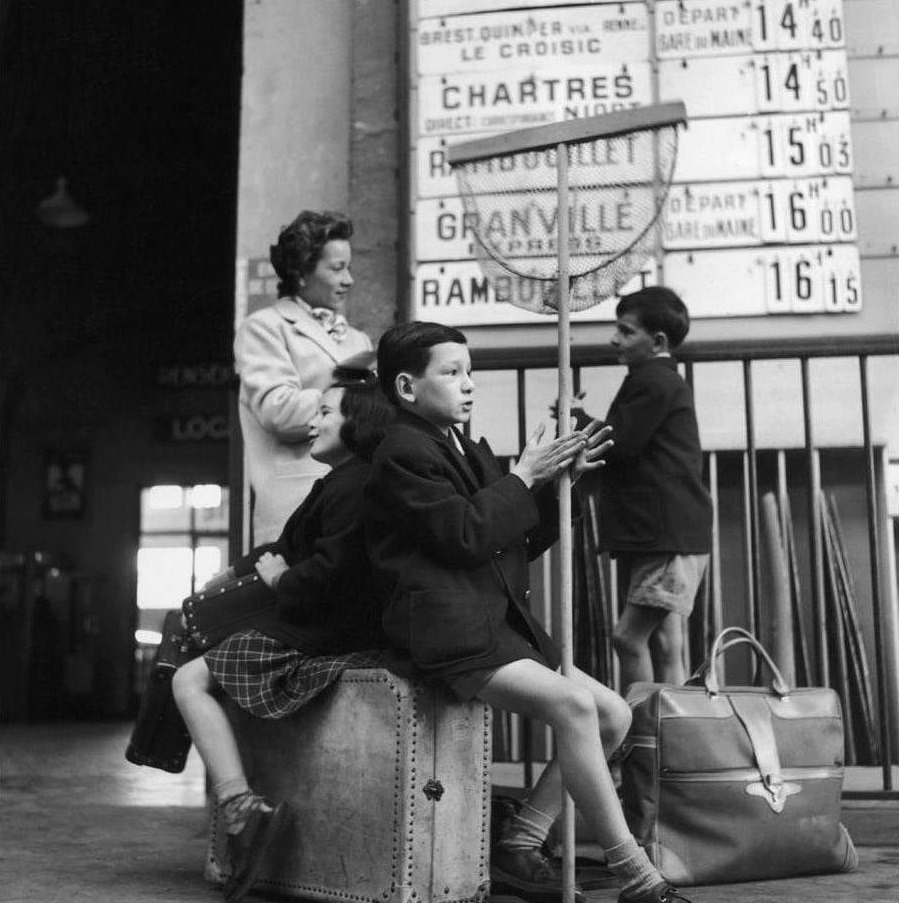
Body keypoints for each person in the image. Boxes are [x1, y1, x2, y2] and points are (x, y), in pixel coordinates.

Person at [364, 322, 692, 903]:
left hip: (494, 625)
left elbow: (515, 539)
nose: (469, 385)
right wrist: (522, 476)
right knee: (573, 705)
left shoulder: (463, 446)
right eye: (452, 372)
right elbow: (464, 537)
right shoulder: (401, 453)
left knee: (614, 714)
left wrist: (565, 485)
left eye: (470, 372)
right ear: (407, 389)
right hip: (446, 632)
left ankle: (522, 840)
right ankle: (637, 875)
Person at [172, 379, 394, 903]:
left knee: (187, 680)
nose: (312, 421)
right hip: (310, 621)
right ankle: (239, 807)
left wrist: (276, 581)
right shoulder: (339, 481)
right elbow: (286, 546)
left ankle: (240, 808)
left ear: (358, 422)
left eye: (325, 412)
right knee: (184, 653)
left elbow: (332, 576)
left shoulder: (357, 485)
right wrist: (234, 573)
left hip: (321, 631)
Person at [576, 286, 711, 691]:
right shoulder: (661, 379)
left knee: (627, 638)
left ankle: (642, 740)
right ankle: (670, 743)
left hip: (663, 535)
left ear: (657, 342)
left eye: (626, 331)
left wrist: (579, 423)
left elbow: (622, 444)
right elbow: (630, 437)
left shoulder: (652, 380)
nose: (615, 339)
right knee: (669, 644)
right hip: (675, 534)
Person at [235, 210, 373, 544]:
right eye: (337, 268)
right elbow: (280, 413)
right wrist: (350, 396)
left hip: (357, 504)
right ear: (300, 273)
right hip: (296, 510)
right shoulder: (264, 328)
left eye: (349, 267)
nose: (349, 280)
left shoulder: (358, 340)